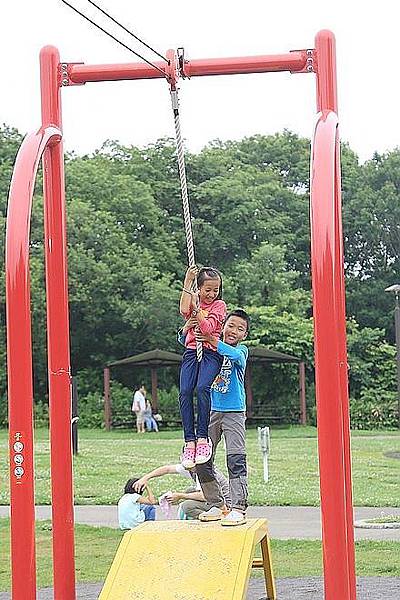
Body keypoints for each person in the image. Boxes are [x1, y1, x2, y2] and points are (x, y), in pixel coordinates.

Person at [189, 309, 250, 527]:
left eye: (240, 329)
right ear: (223, 325)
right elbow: (187, 342)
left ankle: (238, 507)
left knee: (235, 459)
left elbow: (236, 357)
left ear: (244, 335)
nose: (234, 331)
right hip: (211, 411)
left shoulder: (241, 350)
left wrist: (213, 340)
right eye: (231, 325)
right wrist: (192, 328)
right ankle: (216, 503)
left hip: (234, 411)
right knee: (202, 459)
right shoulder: (209, 348)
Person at [179, 266, 227, 468]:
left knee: (202, 388)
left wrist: (197, 311)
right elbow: (183, 309)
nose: (211, 294)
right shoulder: (194, 298)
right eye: (207, 289)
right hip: (192, 351)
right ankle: (189, 441)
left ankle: (202, 438)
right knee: (185, 391)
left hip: (211, 354)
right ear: (199, 288)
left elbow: (207, 328)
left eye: (215, 290)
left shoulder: (219, 306)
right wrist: (187, 282)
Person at [132, 459, 231, 520]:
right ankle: (205, 517)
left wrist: (179, 495)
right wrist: (146, 478)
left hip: (225, 505)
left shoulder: (203, 471)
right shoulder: (191, 468)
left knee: (186, 506)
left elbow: (205, 496)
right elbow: (167, 469)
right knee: (190, 491)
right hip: (216, 499)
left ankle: (216, 519)